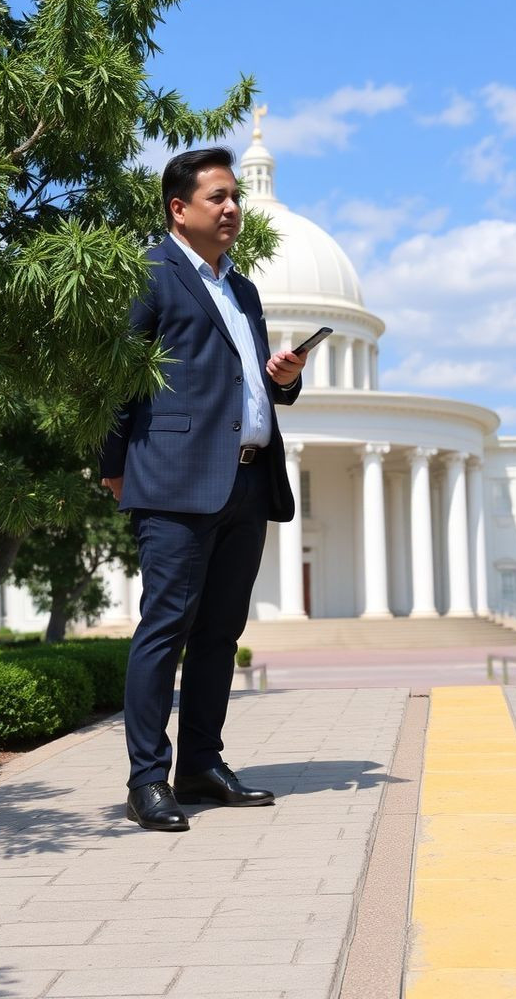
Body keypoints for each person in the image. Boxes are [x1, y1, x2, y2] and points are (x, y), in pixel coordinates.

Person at [100, 147, 305, 831]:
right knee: (165, 629)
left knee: (220, 634)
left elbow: (251, 381)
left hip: (248, 479)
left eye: (234, 197)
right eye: (217, 197)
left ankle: (200, 765)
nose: (232, 208)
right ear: (178, 209)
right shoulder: (152, 275)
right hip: (174, 481)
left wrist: (284, 380)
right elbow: (122, 378)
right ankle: (147, 779)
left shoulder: (242, 290)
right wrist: (113, 463)